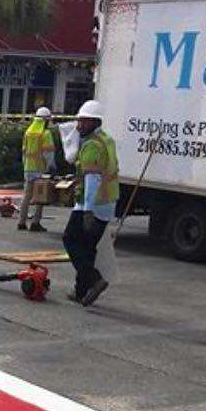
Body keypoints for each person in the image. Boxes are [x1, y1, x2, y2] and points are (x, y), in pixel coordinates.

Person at [63, 99, 119, 307]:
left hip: (92, 204)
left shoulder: (92, 146)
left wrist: (87, 211)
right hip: (107, 203)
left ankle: (94, 279)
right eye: (79, 121)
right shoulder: (107, 140)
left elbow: (92, 180)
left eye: (83, 122)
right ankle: (81, 291)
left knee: (70, 240)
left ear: (95, 122)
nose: (79, 126)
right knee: (87, 248)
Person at [18, 106, 55, 232]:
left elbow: (23, 151)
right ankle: (35, 223)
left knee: (26, 196)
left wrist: (25, 165)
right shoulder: (46, 134)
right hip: (40, 169)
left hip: (28, 168)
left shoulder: (28, 133)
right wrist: (51, 167)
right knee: (40, 197)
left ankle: (21, 222)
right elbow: (48, 154)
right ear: (45, 121)